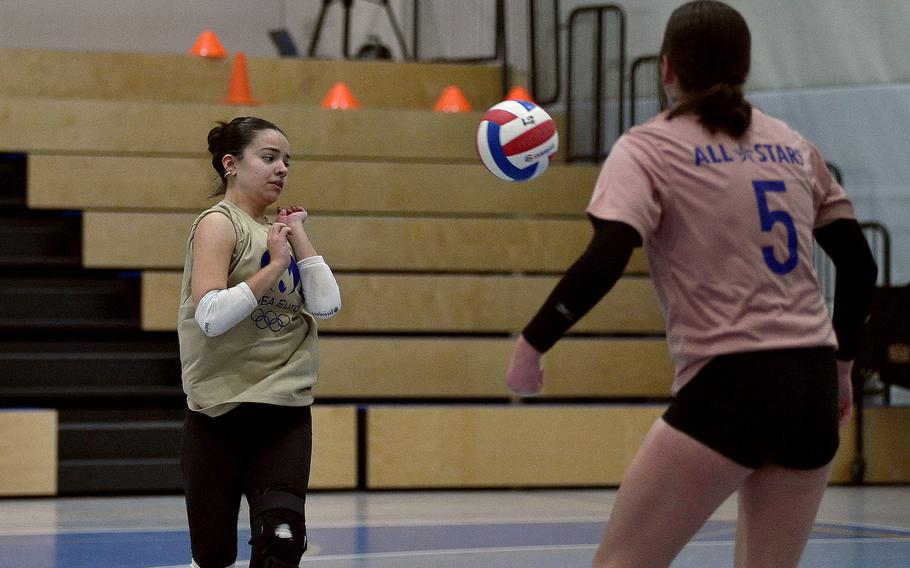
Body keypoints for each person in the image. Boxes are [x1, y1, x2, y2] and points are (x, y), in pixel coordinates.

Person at [506, 2, 878, 567]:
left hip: (730, 384)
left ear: (666, 70)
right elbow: (859, 266)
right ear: (744, 68)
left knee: (622, 563)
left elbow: (608, 254)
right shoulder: (796, 146)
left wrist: (534, 343)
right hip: (811, 388)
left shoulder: (649, 147)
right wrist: (843, 368)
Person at [177, 116, 341, 568]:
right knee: (212, 555)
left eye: (286, 160)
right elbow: (209, 316)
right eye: (269, 158)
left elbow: (326, 305)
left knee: (280, 540)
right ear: (231, 164)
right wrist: (273, 267)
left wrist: (298, 234)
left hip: (283, 411)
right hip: (218, 412)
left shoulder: (280, 232)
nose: (282, 169)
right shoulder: (218, 223)